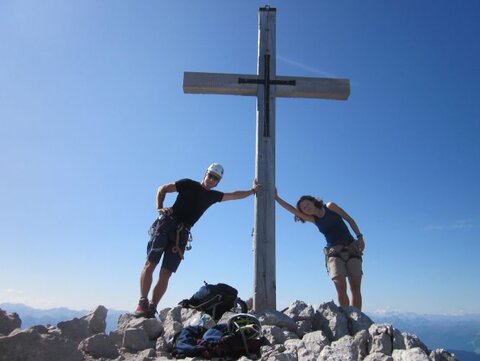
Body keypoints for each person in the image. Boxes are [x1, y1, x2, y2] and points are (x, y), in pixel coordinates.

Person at [135, 163, 260, 318]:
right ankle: (143, 302)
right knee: (150, 264)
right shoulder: (188, 184)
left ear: (218, 182)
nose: (212, 180)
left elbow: (234, 195)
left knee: (166, 273)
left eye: (216, 179)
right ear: (205, 174)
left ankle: (152, 307)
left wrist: (252, 191)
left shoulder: (213, 196)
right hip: (167, 225)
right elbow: (163, 188)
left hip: (181, 234)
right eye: (211, 176)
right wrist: (159, 207)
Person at [275, 192, 365, 310]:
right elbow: (292, 210)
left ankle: (357, 319)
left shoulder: (330, 206)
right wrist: (276, 197)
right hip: (334, 253)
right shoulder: (313, 219)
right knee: (341, 288)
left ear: (313, 201)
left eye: (307, 204)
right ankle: (348, 319)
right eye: (303, 208)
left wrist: (360, 237)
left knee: (355, 288)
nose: (306, 208)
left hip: (351, 248)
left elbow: (349, 219)